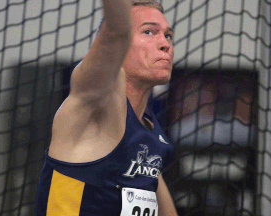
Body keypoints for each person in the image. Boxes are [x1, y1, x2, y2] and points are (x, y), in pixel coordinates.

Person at [35, 0, 178, 215]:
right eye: (149, 32)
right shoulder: (96, 100)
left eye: (168, 35)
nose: (165, 43)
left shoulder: (149, 136)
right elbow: (116, 30)